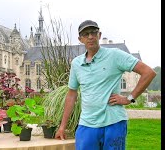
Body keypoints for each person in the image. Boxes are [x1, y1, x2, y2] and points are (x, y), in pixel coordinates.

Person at [54, 20, 156, 149]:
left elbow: (148, 72)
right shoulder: (76, 63)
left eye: (93, 32)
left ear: (99, 35)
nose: (90, 36)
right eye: (86, 34)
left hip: (114, 123)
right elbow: (71, 95)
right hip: (87, 124)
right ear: (80, 39)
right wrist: (62, 126)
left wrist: (129, 98)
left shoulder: (115, 55)